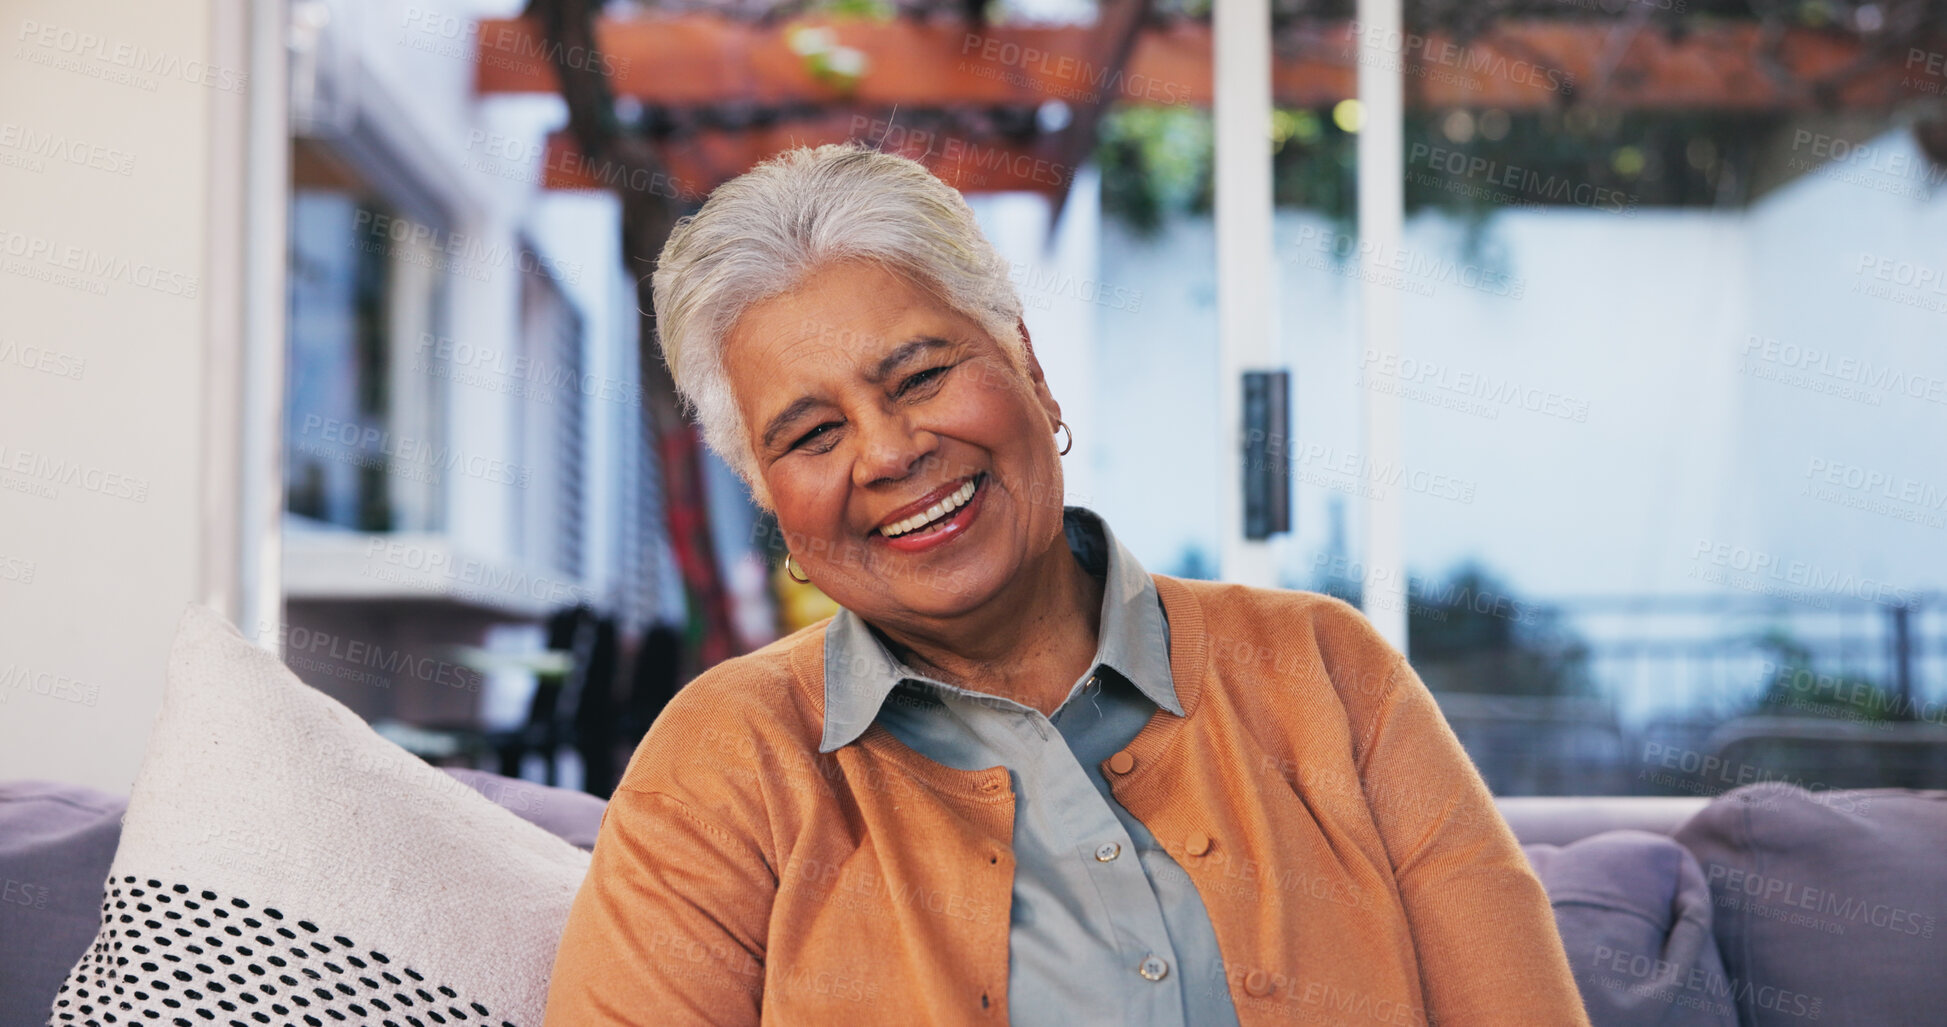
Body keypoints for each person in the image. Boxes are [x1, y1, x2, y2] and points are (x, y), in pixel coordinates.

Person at [542, 144, 1589, 1026]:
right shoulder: (726, 758)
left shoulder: (1322, 667)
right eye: (814, 434)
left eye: (919, 376)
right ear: (774, 503)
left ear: (1029, 369)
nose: (890, 451)